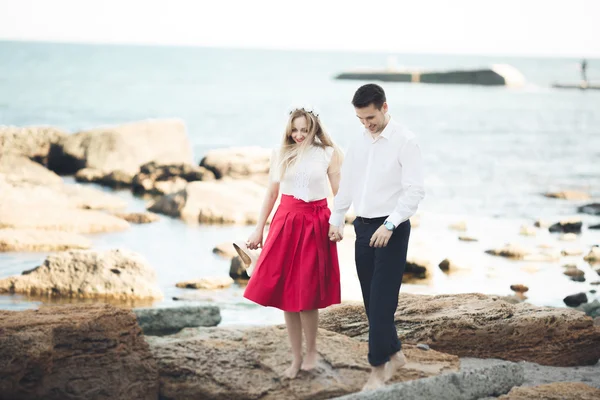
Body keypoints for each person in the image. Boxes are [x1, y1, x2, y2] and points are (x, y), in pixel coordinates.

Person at [328, 84, 425, 391]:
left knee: (383, 304)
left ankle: (377, 371)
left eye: (370, 117)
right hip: (363, 228)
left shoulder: (406, 141)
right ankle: (395, 353)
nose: (366, 124)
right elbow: (347, 186)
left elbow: (415, 191)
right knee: (372, 304)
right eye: (360, 119)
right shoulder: (357, 142)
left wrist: (391, 224)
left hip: (391, 231)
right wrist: (337, 219)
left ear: (384, 107)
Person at [235, 107, 343, 379]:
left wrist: (338, 223)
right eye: (294, 130)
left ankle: (312, 352)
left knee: (307, 295)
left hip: (316, 224)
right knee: (286, 295)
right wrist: (259, 229)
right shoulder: (280, 153)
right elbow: (272, 193)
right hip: (285, 221)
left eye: (304, 130)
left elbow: (339, 194)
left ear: (314, 129)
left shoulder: (329, 153)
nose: (298, 135)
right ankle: (296, 358)